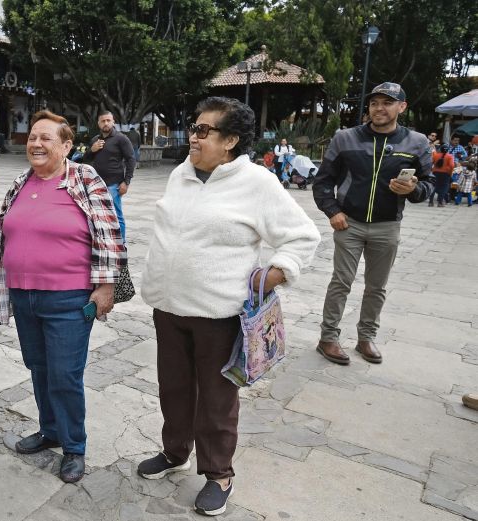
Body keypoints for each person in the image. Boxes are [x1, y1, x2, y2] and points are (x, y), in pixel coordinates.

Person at [137, 96, 319, 516]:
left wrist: (271, 275)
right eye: (193, 128)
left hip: (219, 316)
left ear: (231, 140)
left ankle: (219, 473)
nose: (193, 137)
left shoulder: (257, 183)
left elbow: (302, 236)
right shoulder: (181, 175)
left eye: (204, 131)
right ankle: (174, 452)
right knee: (174, 389)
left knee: (217, 401)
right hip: (169, 309)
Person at [0, 110, 126, 484]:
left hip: (69, 298)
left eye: (45, 138)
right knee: (38, 367)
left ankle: (74, 446)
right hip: (24, 296)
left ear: (67, 145)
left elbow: (110, 234)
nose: (36, 144)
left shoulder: (84, 177)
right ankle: (50, 430)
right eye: (32, 138)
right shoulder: (22, 180)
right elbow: (1, 227)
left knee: (65, 374)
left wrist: (105, 288)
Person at [314, 82, 433, 366]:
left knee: (377, 286)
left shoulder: (416, 142)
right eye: (375, 102)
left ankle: (366, 338)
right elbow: (323, 181)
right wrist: (333, 211)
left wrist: (413, 190)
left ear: (401, 107)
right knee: (341, 282)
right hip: (349, 223)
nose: (379, 108)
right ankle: (328, 338)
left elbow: (428, 185)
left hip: (387, 226)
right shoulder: (345, 138)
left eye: (387, 103)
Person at [82, 110, 135, 240]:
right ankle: (104, 241)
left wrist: (126, 182)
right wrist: (91, 150)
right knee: (97, 215)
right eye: (103, 121)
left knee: (116, 215)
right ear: (98, 123)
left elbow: (131, 159)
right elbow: (86, 159)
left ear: (113, 122)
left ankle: (120, 244)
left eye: (108, 120)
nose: (106, 123)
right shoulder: (95, 140)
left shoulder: (121, 138)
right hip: (96, 185)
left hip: (114, 185)